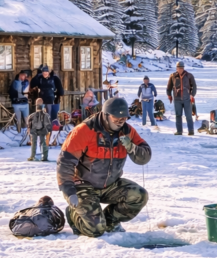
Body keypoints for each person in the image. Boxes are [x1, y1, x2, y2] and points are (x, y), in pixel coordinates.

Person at [56, 96, 152, 237]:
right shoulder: (84, 130)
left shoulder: (127, 131)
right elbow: (65, 163)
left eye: (124, 119)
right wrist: (68, 191)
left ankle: (110, 221)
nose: (121, 122)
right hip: (83, 185)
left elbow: (145, 156)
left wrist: (132, 147)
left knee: (139, 196)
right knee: (95, 231)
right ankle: (74, 214)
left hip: (110, 184)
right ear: (106, 115)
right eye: (116, 118)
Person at [166, 61, 197, 136]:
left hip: (187, 99)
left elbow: (194, 87)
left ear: (183, 68)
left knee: (188, 116)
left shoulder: (189, 76)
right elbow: (169, 87)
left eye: (182, 68)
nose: (180, 69)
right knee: (178, 115)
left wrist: (192, 95)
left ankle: (191, 131)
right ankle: (179, 131)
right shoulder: (172, 76)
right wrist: (169, 95)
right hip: (177, 99)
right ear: (176, 68)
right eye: (179, 68)